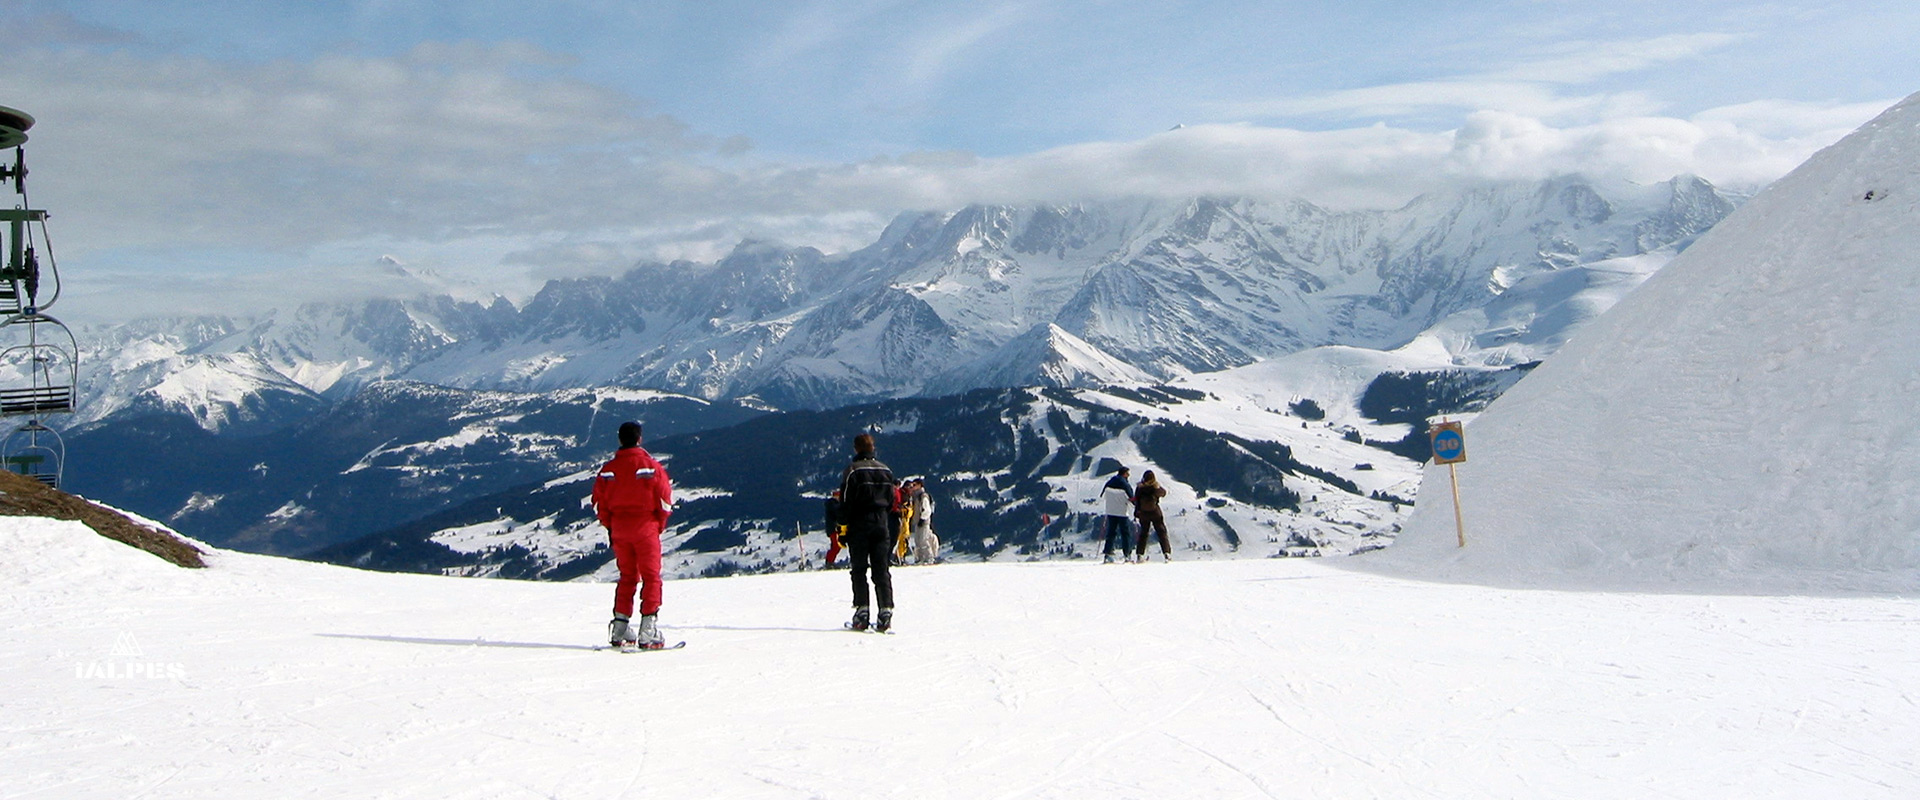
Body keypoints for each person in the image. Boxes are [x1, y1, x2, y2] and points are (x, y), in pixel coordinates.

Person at [592, 421, 673, 649]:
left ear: (620, 439)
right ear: (640, 438)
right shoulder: (651, 467)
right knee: (651, 576)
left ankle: (620, 627)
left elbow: (599, 503)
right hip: (646, 526)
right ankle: (648, 629)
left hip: (619, 528)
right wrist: (659, 524)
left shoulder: (608, 470)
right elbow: (665, 500)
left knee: (627, 576)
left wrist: (611, 526)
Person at [838, 433, 899, 632]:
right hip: (882, 523)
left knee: (859, 569)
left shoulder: (852, 471)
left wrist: (842, 527)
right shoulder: (886, 470)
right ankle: (885, 610)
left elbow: (845, 502)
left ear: (856, 449)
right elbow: (891, 500)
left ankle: (862, 610)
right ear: (872, 448)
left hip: (859, 524)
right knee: (881, 569)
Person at [1132, 469, 1171, 563]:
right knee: (1161, 532)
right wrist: (1157, 486)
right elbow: (1163, 493)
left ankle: (1140, 555)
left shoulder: (1140, 487)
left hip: (1143, 513)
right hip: (1155, 512)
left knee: (1144, 534)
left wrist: (1137, 511)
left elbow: (1136, 499)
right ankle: (1167, 553)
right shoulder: (1155, 487)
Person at [1100, 466, 1135, 563]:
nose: (1128, 475)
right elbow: (1132, 498)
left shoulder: (1110, 482)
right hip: (1122, 512)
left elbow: (1103, 494)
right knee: (1125, 533)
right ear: (1124, 474)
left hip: (1111, 511)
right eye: (1127, 473)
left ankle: (1107, 554)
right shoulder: (1125, 484)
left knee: (1111, 532)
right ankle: (1127, 555)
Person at [908, 479, 939, 564]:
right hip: (918, 522)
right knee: (918, 541)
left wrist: (923, 518)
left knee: (923, 540)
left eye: (914, 485)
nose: (912, 487)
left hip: (923, 522)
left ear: (920, 485)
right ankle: (920, 558)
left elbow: (927, 509)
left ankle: (929, 558)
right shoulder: (915, 496)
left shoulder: (923, 496)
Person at [822, 489, 846, 568]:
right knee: (836, 546)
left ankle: (830, 561)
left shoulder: (832, 504)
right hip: (833, 529)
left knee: (836, 546)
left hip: (833, 528)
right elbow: (838, 512)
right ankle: (829, 562)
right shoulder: (833, 504)